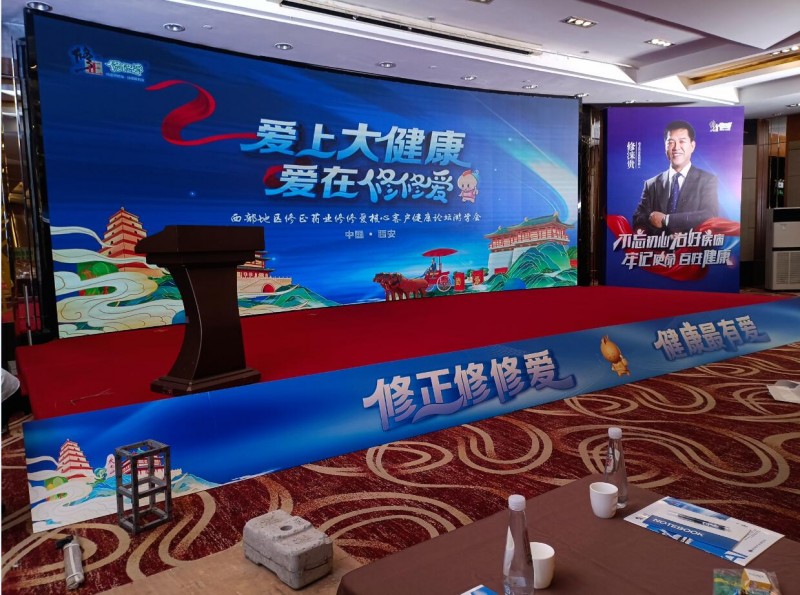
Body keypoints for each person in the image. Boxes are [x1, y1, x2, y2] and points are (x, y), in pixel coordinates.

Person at [632, 120, 718, 234]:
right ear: (665, 147)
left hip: (692, 244)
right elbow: (638, 218)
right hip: (659, 245)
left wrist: (666, 220)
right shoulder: (651, 184)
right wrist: (654, 223)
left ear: (692, 146)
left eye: (682, 141)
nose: (676, 147)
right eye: (671, 142)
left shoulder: (707, 180)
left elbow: (710, 215)